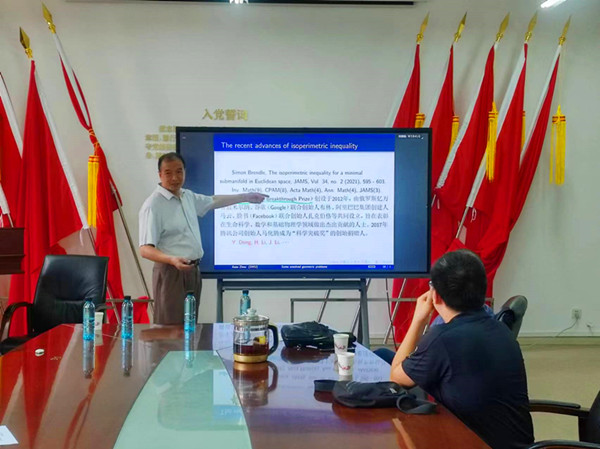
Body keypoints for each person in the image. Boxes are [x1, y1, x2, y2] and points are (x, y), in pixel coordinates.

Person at [390, 249, 534, 449]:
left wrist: (418, 319)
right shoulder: (500, 328)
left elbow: (396, 378)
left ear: (435, 296)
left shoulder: (442, 338)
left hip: (473, 442)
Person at [139, 152, 267, 324]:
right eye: (168, 173)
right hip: (171, 272)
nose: (175, 178)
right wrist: (171, 260)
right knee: (169, 328)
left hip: (192, 271)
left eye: (179, 171)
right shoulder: (153, 205)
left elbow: (213, 201)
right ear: (160, 175)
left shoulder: (187, 196)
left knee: (190, 326)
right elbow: (145, 249)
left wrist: (245, 197)